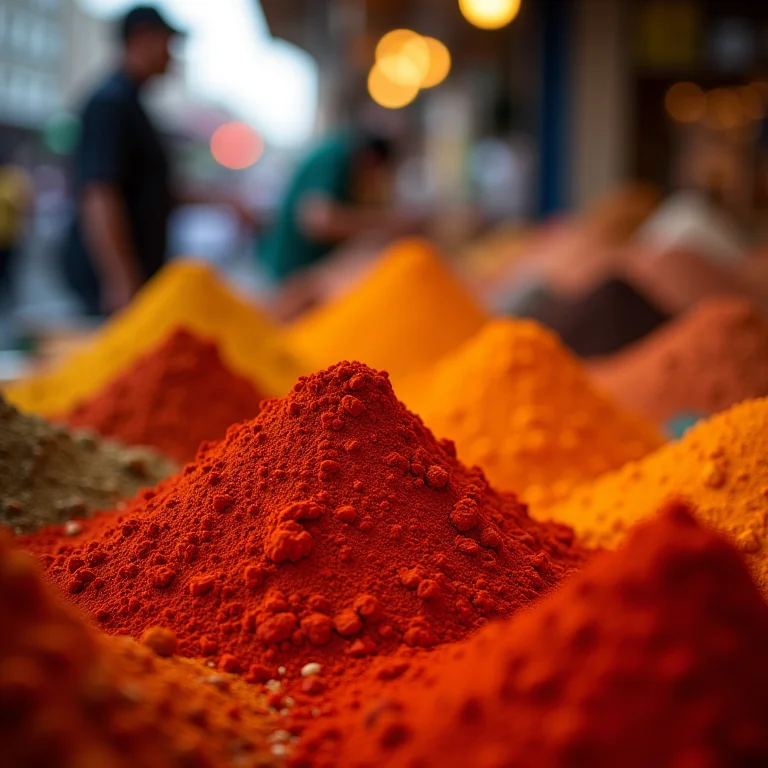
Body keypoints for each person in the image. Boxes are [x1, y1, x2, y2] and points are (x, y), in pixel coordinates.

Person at [63, 5, 252, 316]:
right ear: (142, 39)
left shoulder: (133, 105)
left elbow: (155, 191)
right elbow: (99, 193)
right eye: (168, 43)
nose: (172, 55)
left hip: (138, 274)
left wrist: (223, 201)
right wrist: (119, 278)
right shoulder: (110, 104)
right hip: (110, 282)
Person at [261, 130, 417, 286]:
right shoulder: (335, 157)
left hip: (302, 275)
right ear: (371, 160)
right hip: (285, 275)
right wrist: (387, 223)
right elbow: (317, 220)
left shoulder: (345, 164)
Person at [0, 146, 32, 313]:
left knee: (9, 274)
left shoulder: (14, 177)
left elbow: (23, 204)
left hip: (9, 239)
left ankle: (10, 305)